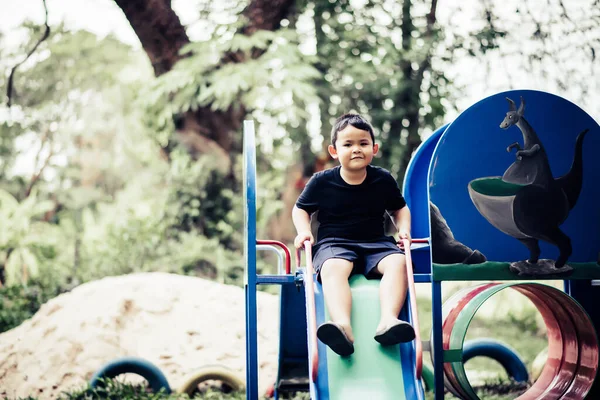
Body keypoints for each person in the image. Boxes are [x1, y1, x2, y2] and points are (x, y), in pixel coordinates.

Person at [292, 113, 415, 357]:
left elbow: (399, 208)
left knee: (399, 262)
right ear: (334, 151)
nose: (356, 149)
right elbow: (300, 209)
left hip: (376, 244)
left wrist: (404, 229)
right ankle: (342, 327)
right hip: (334, 244)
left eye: (363, 143)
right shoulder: (322, 181)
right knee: (333, 268)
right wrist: (304, 232)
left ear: (374, 148)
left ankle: (389, 321)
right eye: (348, 144)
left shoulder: (382, 179)